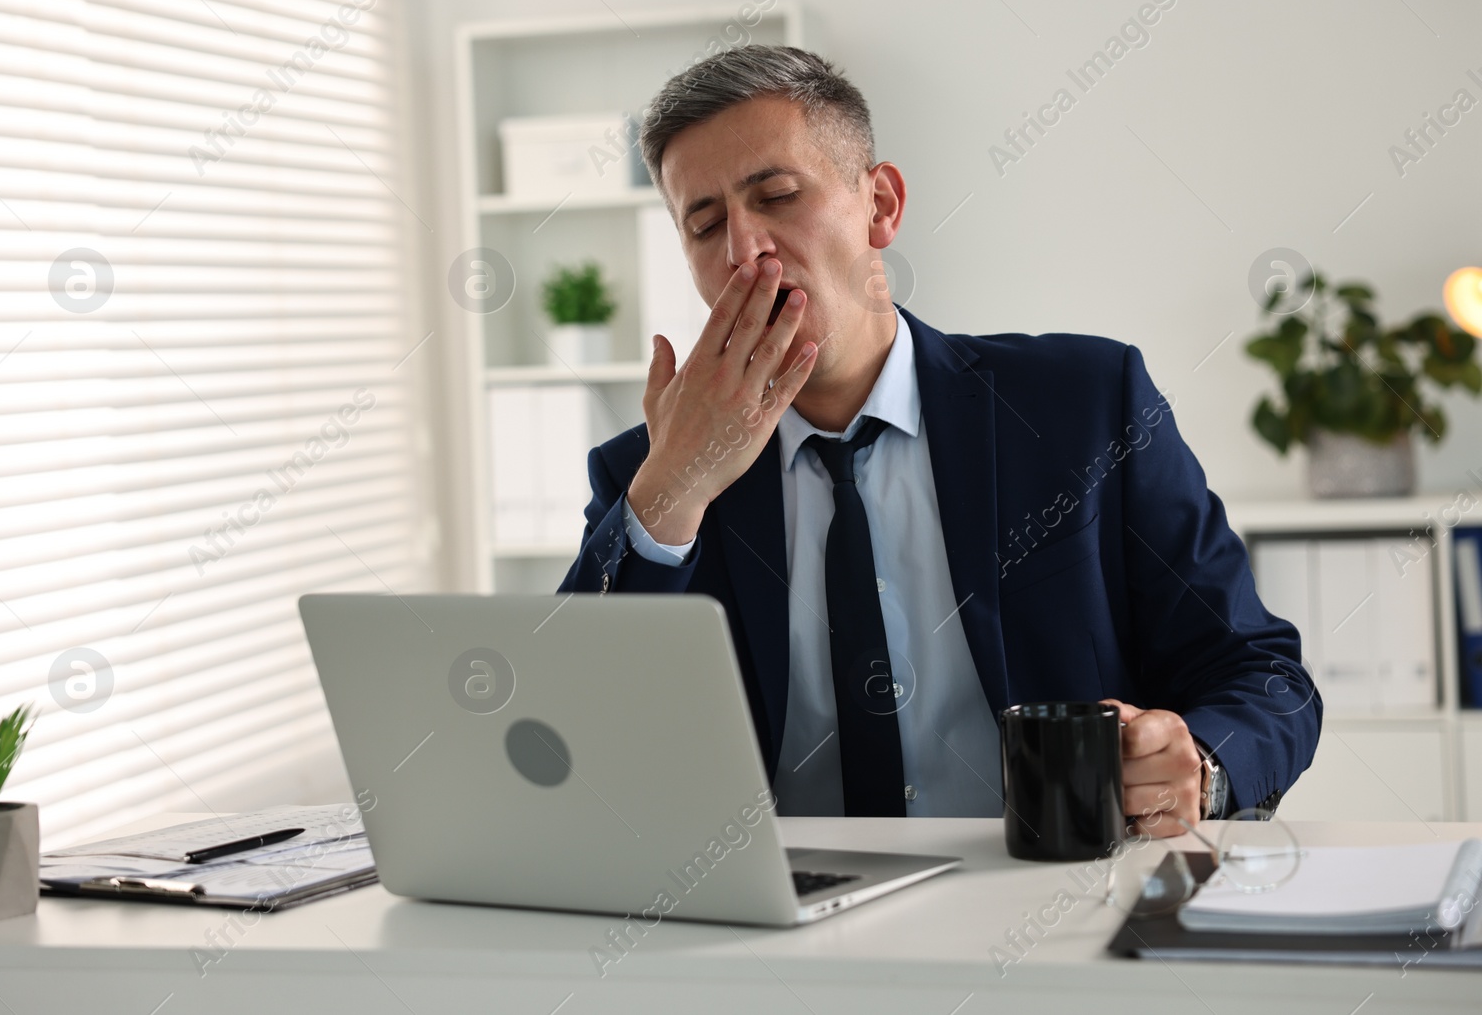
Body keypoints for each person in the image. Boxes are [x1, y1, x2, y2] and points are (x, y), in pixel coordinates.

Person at [558, 45, 1319, 835]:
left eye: (778, 195)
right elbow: (571, 749)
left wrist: (1199, 763)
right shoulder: (647, 474)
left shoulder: (1085, 405)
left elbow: (1263, 675)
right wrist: (673, 489)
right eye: (705, 224)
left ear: (880, 204)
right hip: (776, 927)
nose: (744, 250)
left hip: (1049, 901)